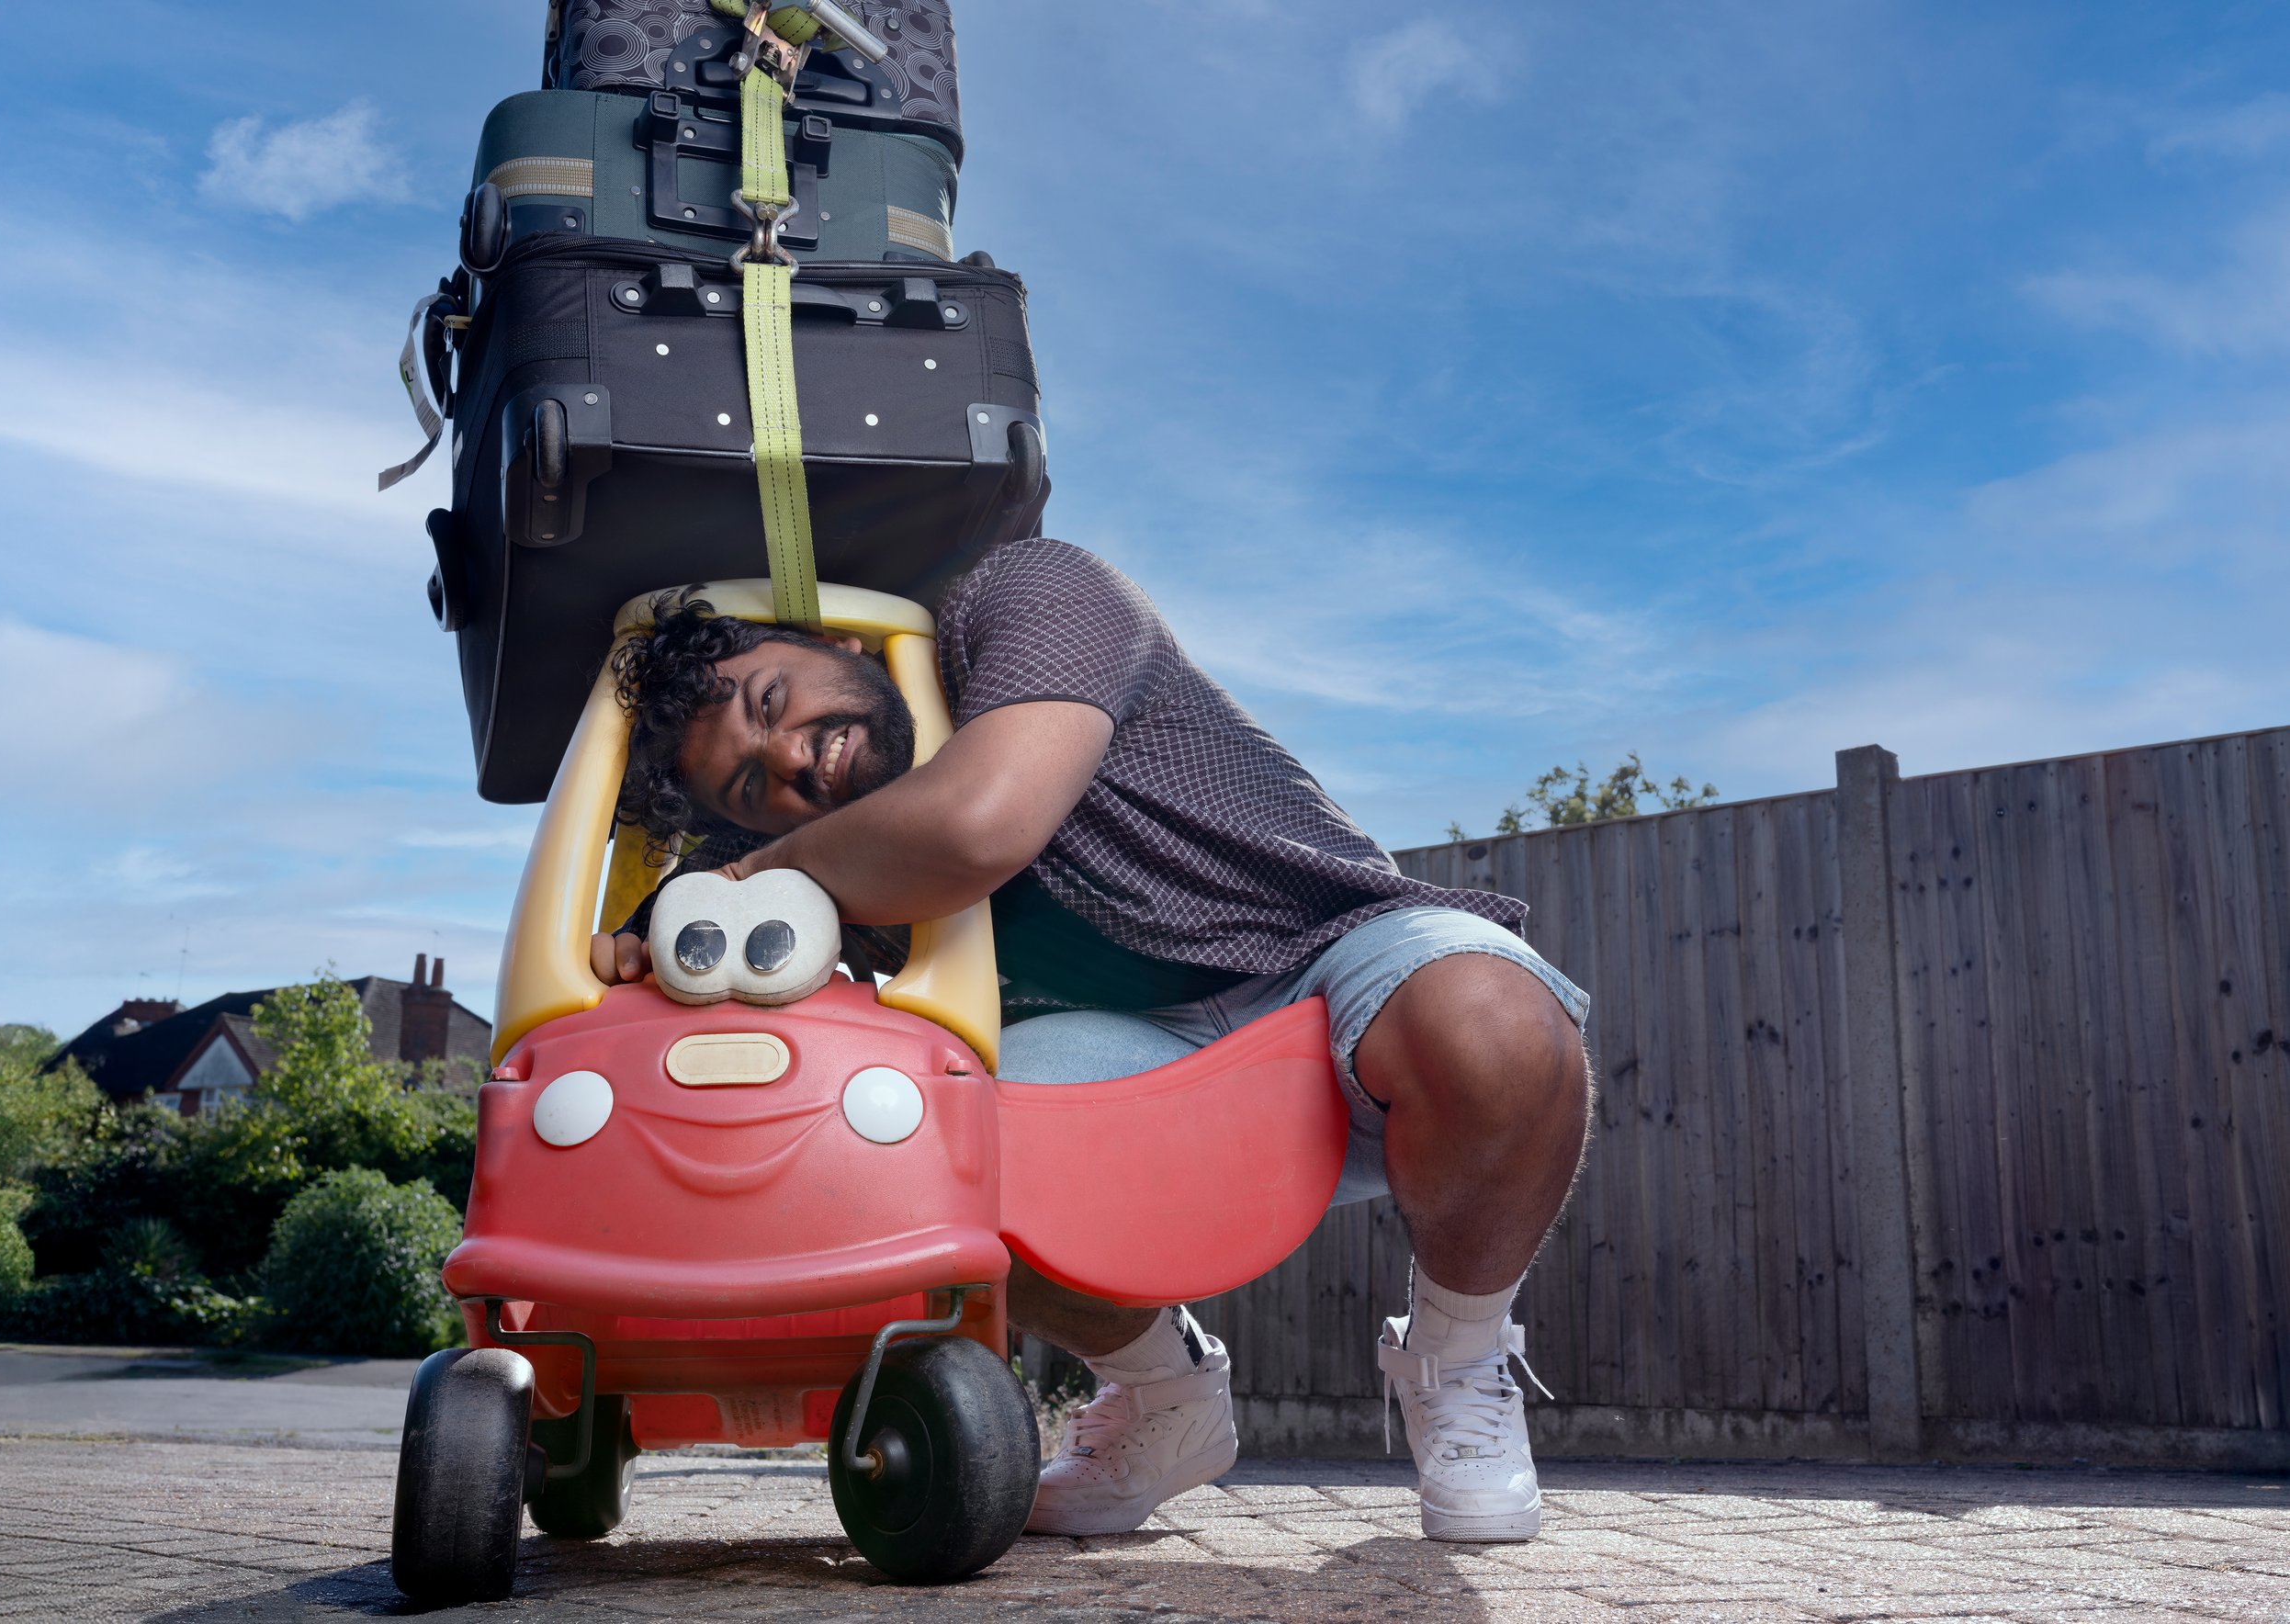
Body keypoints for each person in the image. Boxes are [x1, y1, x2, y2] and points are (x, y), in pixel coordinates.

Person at [592, 538, 1591, 1543]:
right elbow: (671, 982)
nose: (796, 757)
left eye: (773, 702)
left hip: (1325, 960)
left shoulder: (1026, 593)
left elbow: (977, 824)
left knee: (1492, 1022)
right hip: (1122, 1070)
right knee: (922, 1156)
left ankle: (1456, 1362)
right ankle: (1164, 1395)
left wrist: (743, 871)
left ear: (830, 641)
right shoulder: (817, 856)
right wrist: (651, 940)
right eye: (754, 788)